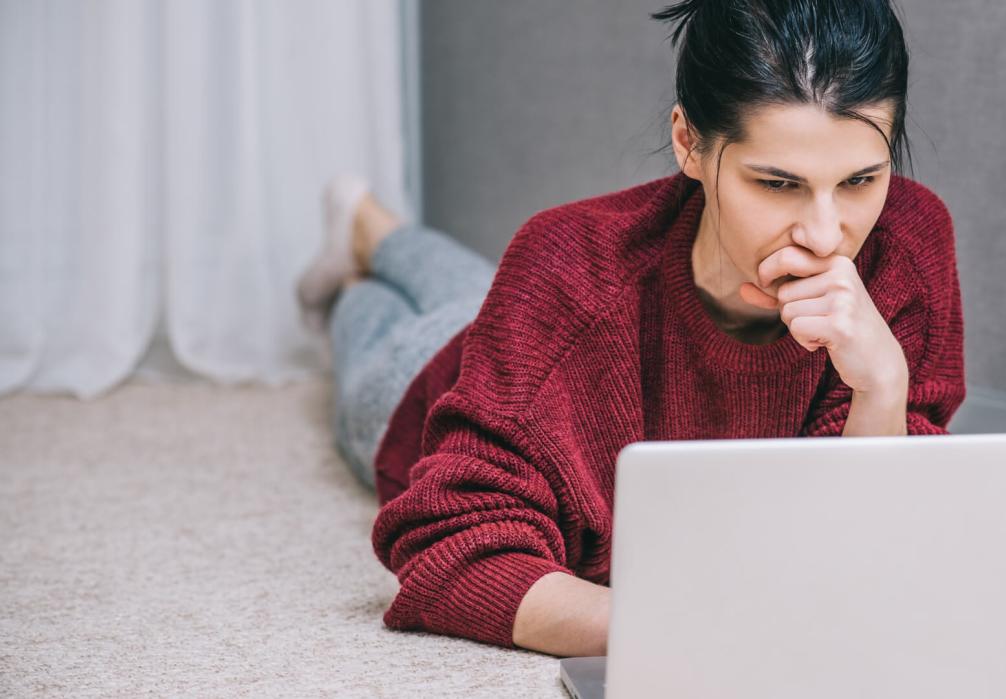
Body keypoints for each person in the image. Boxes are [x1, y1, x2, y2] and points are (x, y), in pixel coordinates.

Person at [295, 0, 965, 658]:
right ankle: (359, 251)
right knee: (376, 318)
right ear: (688, 143)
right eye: (778, 183)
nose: (825, 235)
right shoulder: (564, 268)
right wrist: (694, 626)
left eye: (858, 180)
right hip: (423, 379)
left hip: (522, 324)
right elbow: (451, 554)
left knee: (468, 288)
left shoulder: (908, 242)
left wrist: (883, 385)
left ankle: (370, 226)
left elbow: (859, 558)